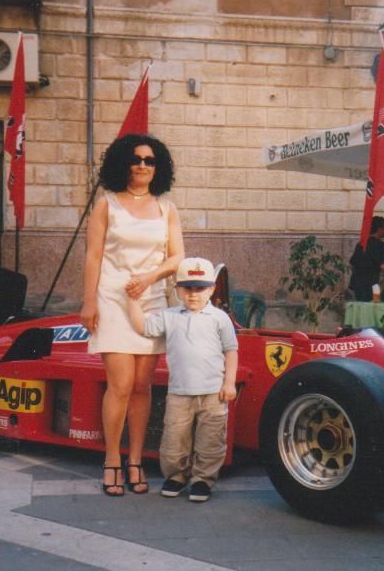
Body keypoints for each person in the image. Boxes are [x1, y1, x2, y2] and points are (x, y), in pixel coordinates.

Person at [80, 134, 185, 496]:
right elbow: (93, 256)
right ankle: (112, 460)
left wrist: (150, 278)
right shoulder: (106, 205)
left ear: (159, 167)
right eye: (136, 159)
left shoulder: (167, 208)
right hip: (112, 297)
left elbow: (177, 257)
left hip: (151, 300)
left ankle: (136, 460)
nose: (142, 165)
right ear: (123, 163)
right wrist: (89, 302)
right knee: (121, 385)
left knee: (142, 386)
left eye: (149, 160)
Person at [127, 257, 239, 502]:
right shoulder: (169, 315)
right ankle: (176, 476)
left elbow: (230, 351)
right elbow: (143, 327)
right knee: (174, 440)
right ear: (177, 289)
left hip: (213, 393)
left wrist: (229, 383)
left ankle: (203, 480)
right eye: (187, 288)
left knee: (211, 441)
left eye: (200, 288)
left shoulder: (219, 318)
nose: (193, 294)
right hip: (179, 392)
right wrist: (133, 300)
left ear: (212, 289)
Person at [349, 216, 384, 301]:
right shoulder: (381, 246)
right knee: (373, 306)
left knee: (361, 307)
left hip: (357, 286)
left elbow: (352, 264)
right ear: (379, 229)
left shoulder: (361, 244)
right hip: (373, 286)